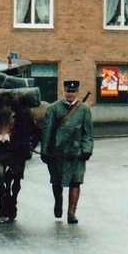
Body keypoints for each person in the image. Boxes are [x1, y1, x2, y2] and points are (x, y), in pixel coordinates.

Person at [41, 80, 93, 224]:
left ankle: (71, 212)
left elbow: (88, 132)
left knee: (75, 182)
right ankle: (58, 203)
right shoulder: (54, 108)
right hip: (58, 152)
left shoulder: (84, 110)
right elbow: (48, 131)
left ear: (77, 92)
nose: (71, 94)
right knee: (57, 182)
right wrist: (45, 151)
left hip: (76, 152)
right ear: (64, 91)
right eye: (68, 91)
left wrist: (87, 150)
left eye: (73, 92)